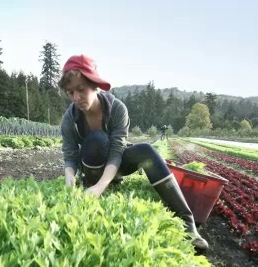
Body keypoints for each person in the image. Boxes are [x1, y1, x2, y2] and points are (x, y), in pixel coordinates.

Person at [58, 54, 209, 253]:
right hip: (91, 163)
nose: (76, 97)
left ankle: (187, 223)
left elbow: (116, 151)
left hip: (115, 162)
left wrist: (102, 186)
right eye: (70, 92)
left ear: (94, 85)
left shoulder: (117, 109)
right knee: (96, 140)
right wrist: (70, 176)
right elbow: (70, 153)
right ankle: (93, 183)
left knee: (146, 151)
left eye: (80, 89)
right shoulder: (70, 118)